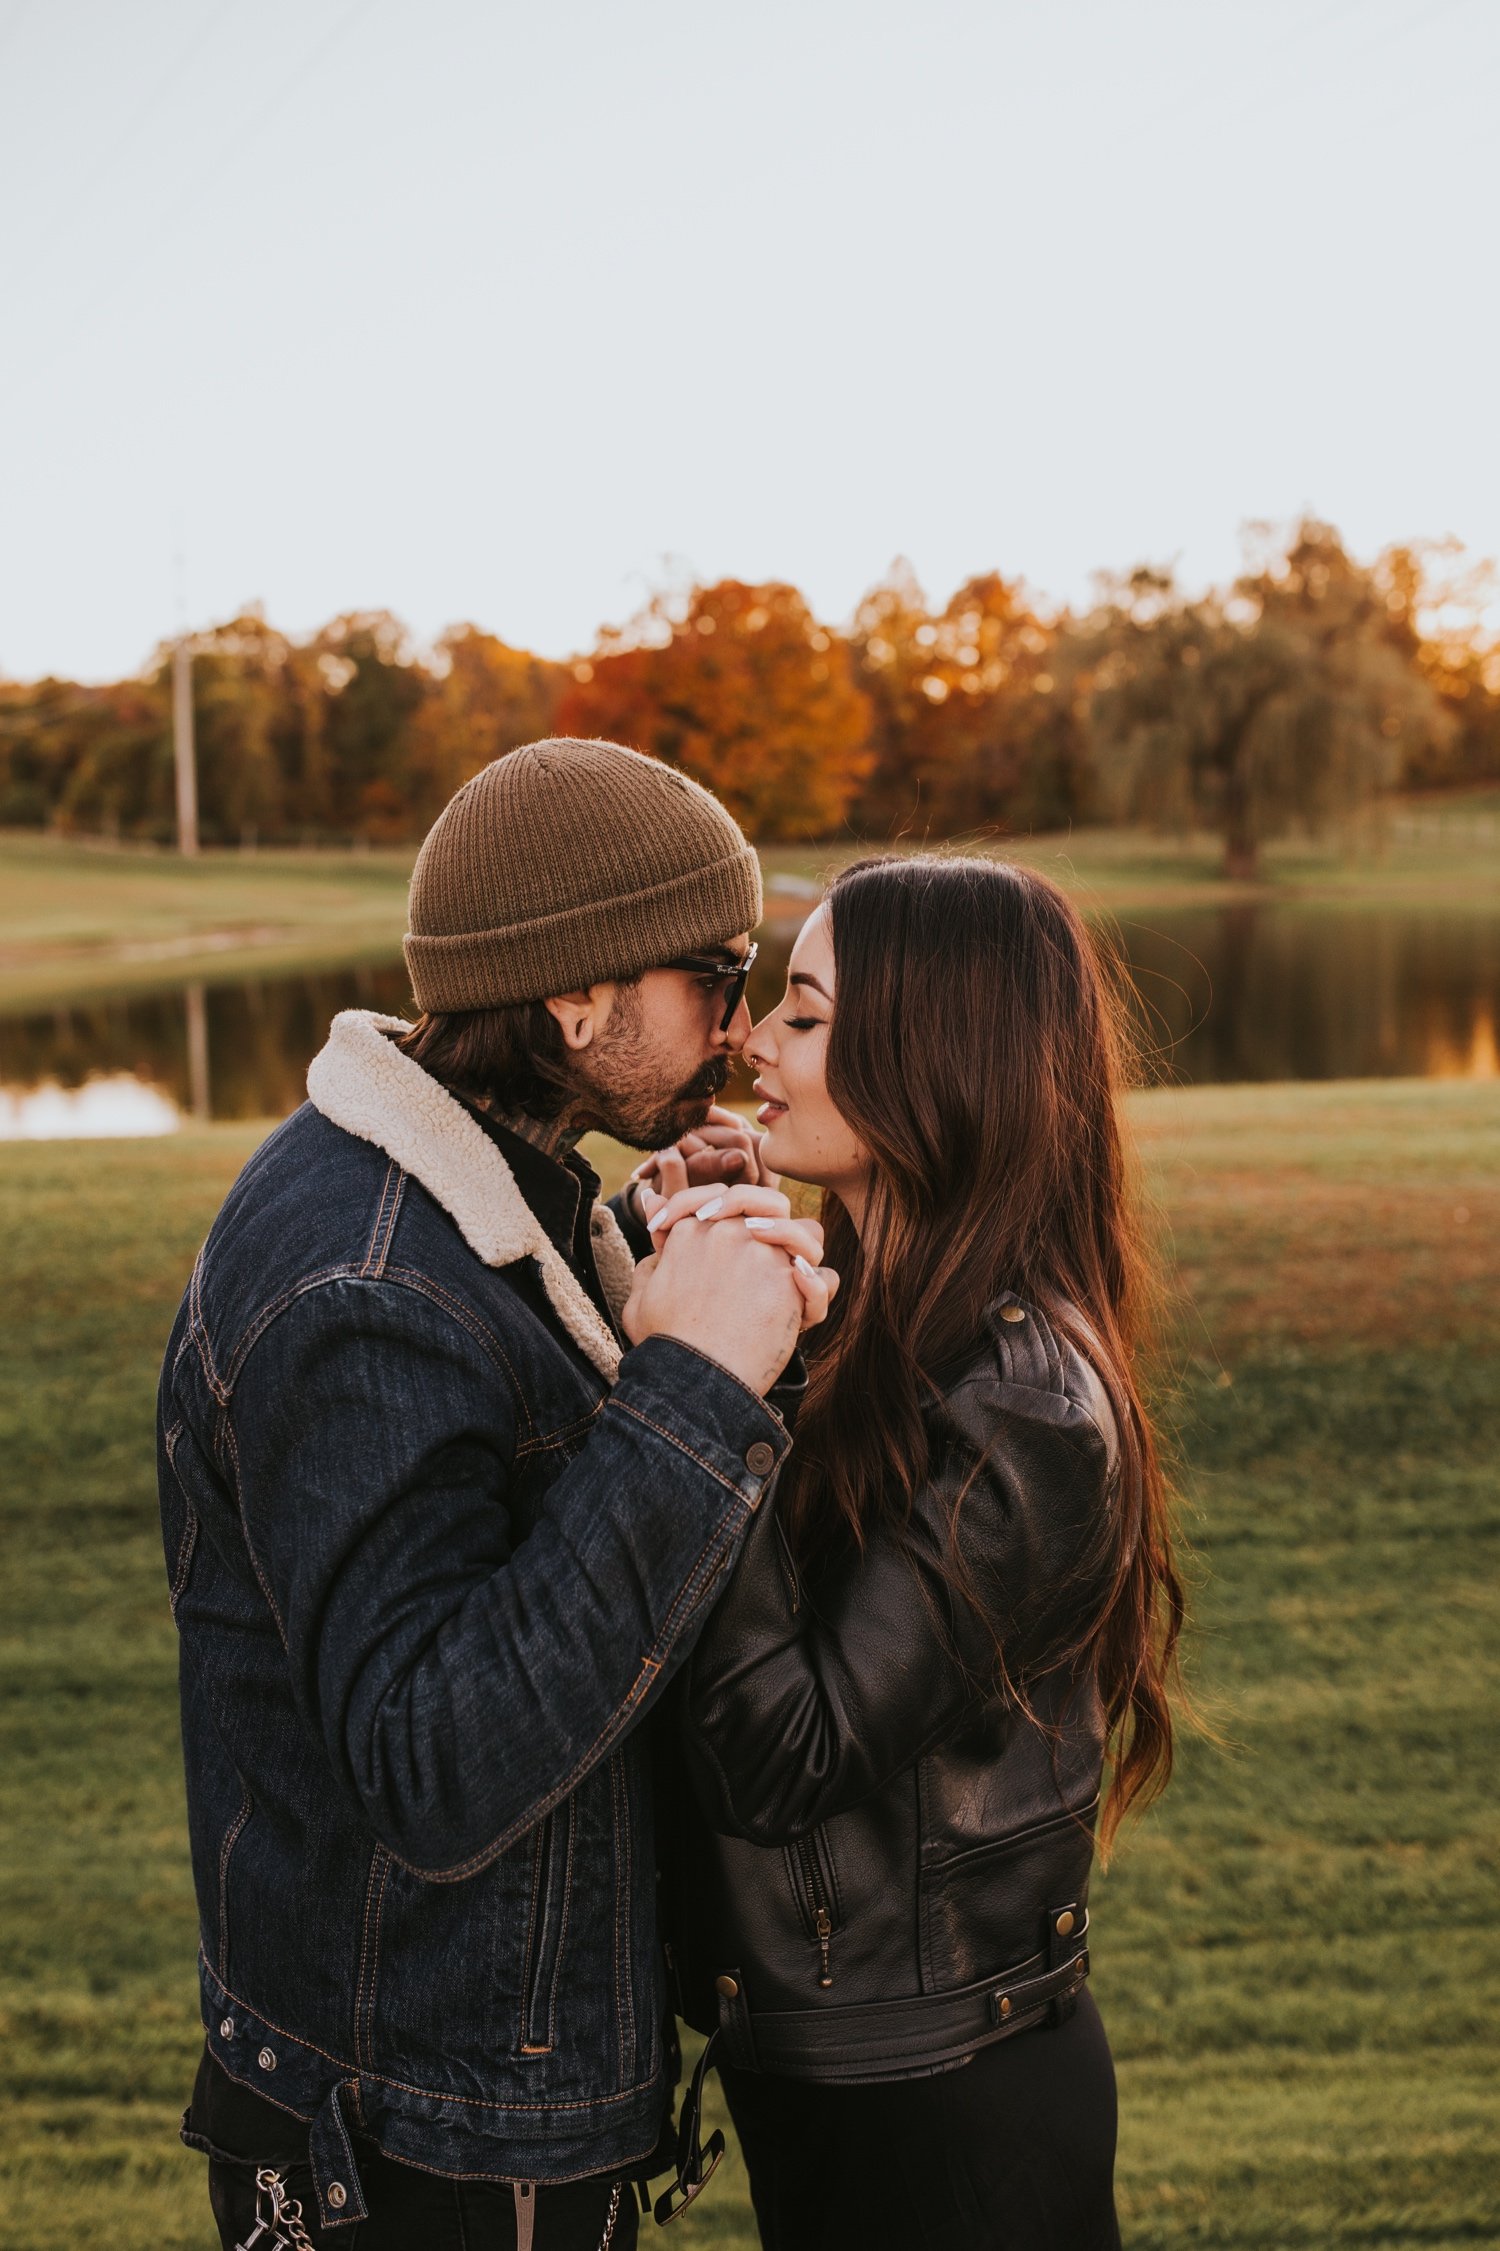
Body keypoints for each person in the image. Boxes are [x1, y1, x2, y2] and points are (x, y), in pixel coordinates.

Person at [156, 737, 837, 2251]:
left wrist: (662, 1286)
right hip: (420, 2147)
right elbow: (434, 1763)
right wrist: (690, 1390)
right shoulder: (368, 1286)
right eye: (716, 977)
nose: (737, 1031)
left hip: (451, 2098)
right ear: (576, 997)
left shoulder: (497, 1207)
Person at [641, 855, 1185, 2251]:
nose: (751, 1040)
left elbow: (780, 1752)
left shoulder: (1026, 1407)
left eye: (805, 1016)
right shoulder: (871, 1317)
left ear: (932, 1058)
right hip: (838, 2064)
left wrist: (719, 1384)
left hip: (946, 2109)